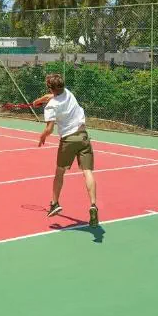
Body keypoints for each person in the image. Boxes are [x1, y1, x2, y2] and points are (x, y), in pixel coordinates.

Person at [32, 73, 98, 227]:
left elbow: (49, 129)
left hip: (68, 140)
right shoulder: (68, 93)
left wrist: (42, 136)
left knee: (59, 172)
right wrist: (38, 101)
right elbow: (51, 96)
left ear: (50, 88)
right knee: (87, 172)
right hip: (83, 137)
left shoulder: (51, 106)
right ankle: (93, 204)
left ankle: (55, 203)